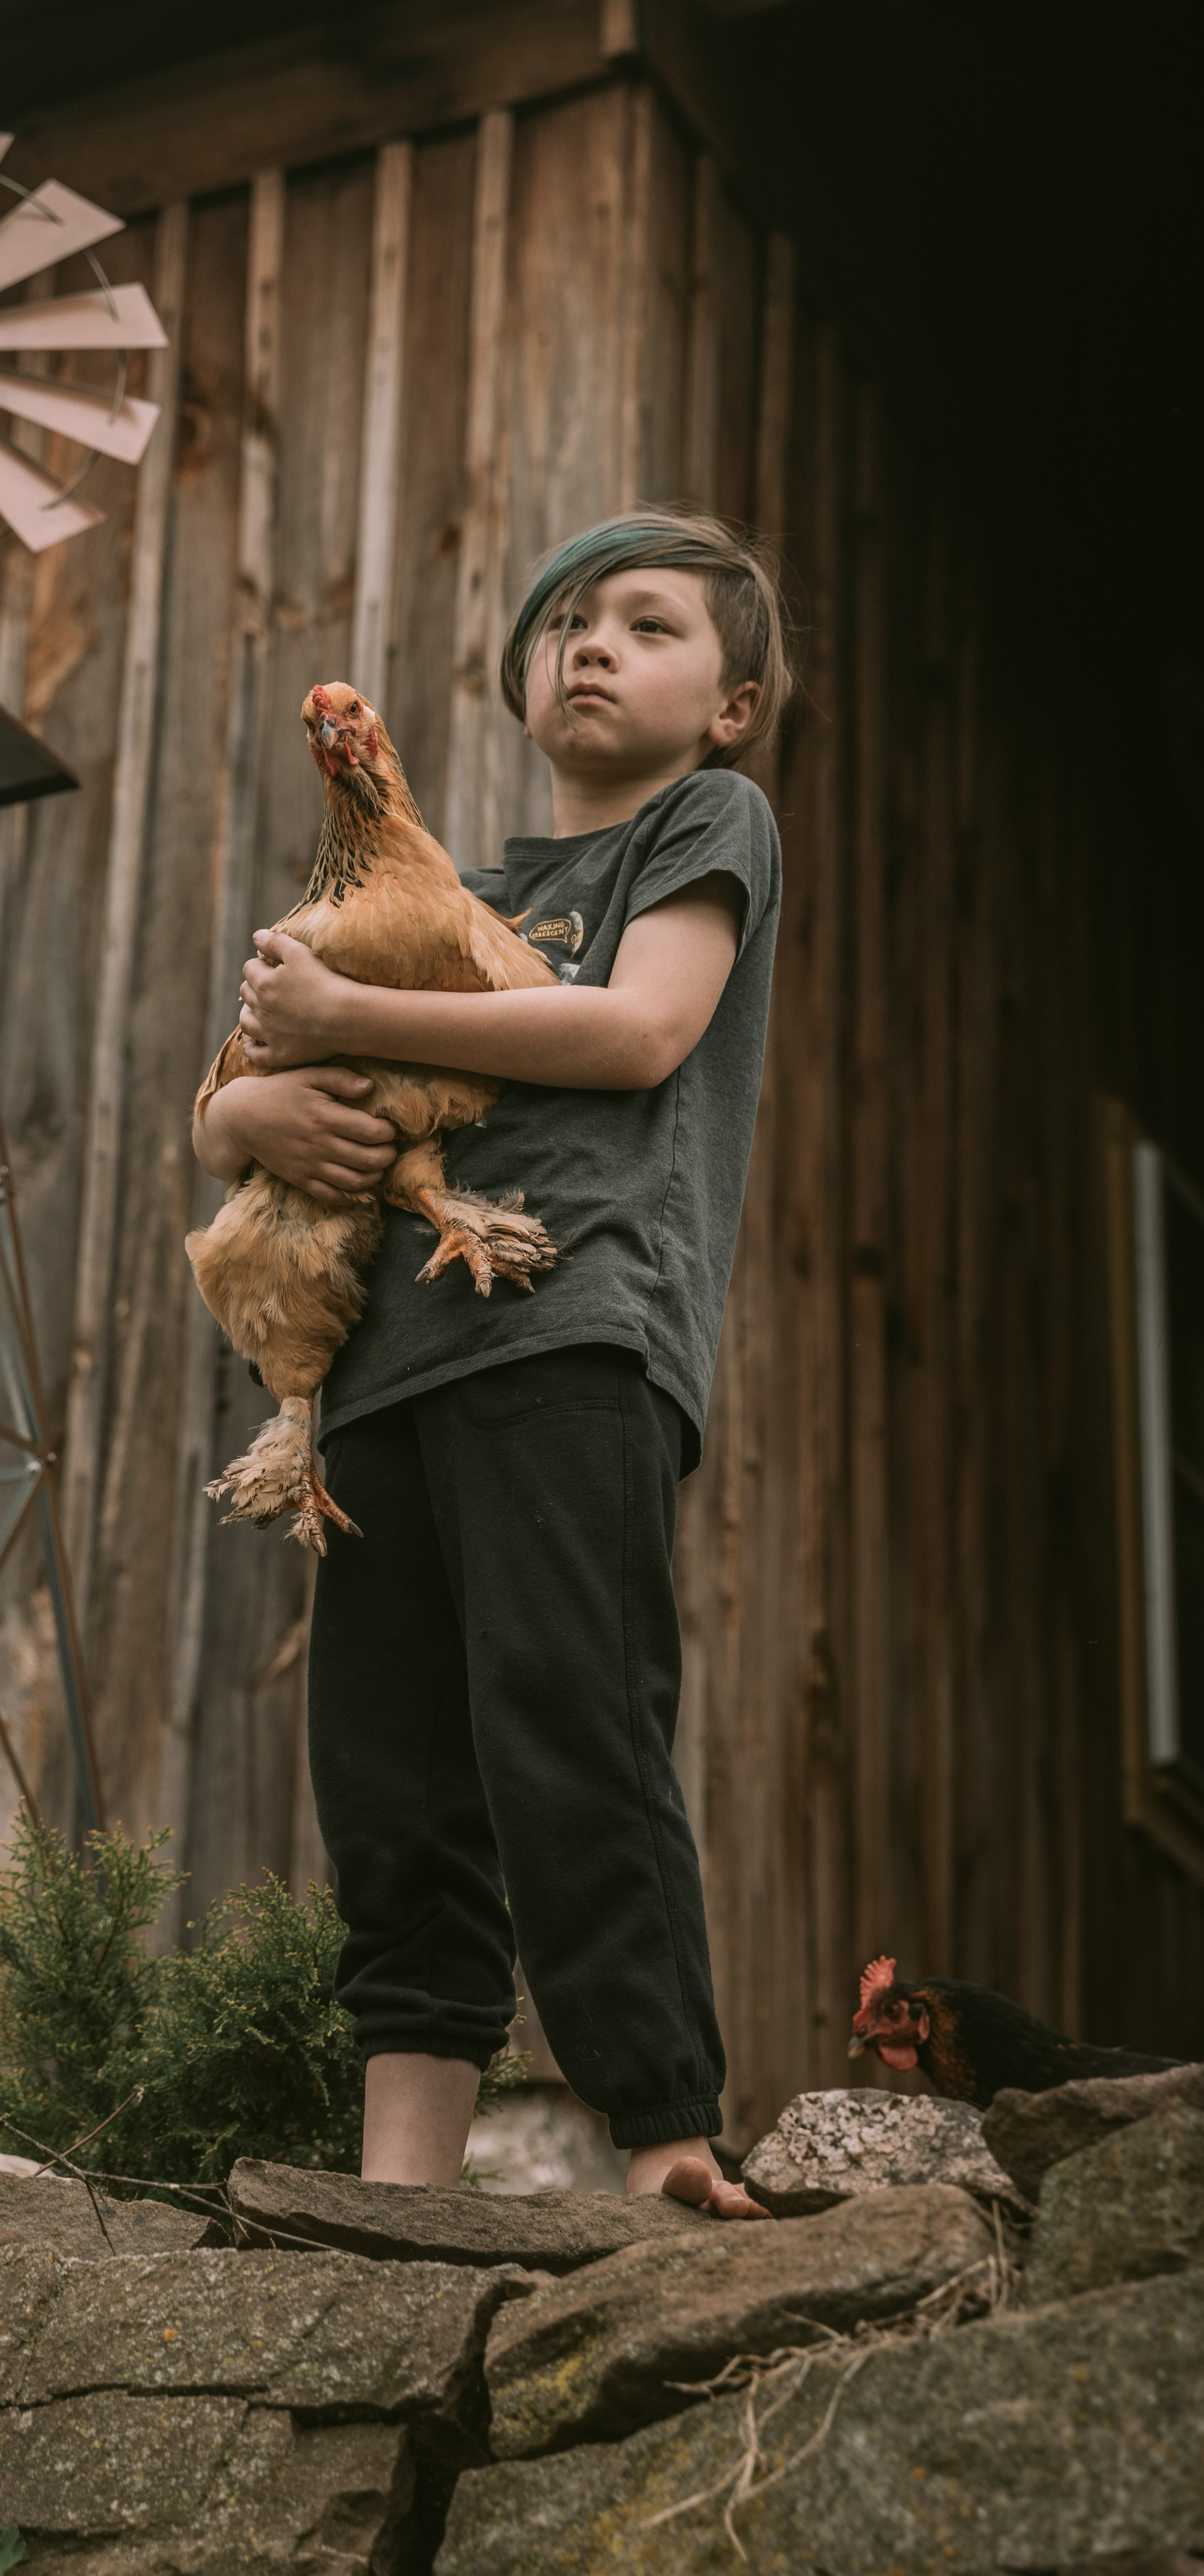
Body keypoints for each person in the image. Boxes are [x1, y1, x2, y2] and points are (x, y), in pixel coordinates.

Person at [191, 507, 789, 2220]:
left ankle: (664, 2130)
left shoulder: (699, 824)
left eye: (647, 626)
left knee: (566, 1720)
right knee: (389, 1779)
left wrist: (345, 1027)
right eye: (565, 623)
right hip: (372, 1379)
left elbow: (634, 1028)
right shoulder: (450, 882)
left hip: (568, 1333)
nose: (592, 644)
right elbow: (233, 1083)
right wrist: (248, 1098)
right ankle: (401, 2192)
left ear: (730, 706)